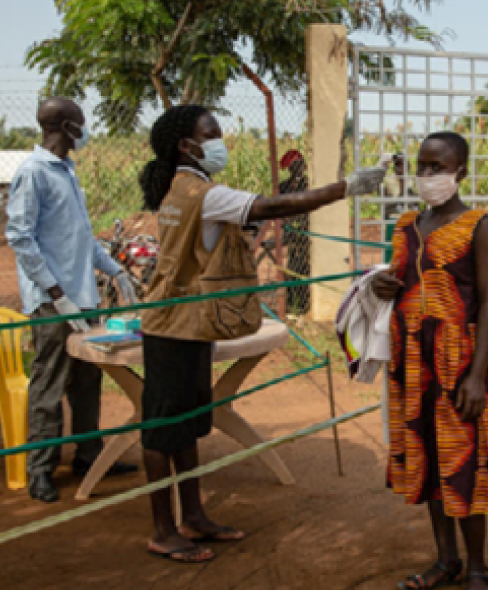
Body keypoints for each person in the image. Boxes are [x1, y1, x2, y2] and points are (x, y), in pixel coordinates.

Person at [136, 105, 388, 563]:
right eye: (210, 134)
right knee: (160, 430)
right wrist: (345, 188)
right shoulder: (201, 192)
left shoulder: (186, 188)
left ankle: (191, 516)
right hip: (172, 326)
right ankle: (162, 529)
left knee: (188, 424)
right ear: (186, 146)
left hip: (185, 323)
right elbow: (274, 206)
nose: (219, 141)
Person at [371, 131, 488, 590]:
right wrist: (383, 286)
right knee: (431, 463)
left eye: (439, 167)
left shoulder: (479, 226)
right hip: (413, 364)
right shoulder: (406, 225)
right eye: (423, 165)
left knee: (464, 461)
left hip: (459, 360)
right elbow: (395, 281)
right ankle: (445, 560)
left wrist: (477, 374)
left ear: (462, 172)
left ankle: (477, 565)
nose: (429, 175)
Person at [6, 97, 140, 504]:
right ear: (67, 127)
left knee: (87, 381)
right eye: (81, 123)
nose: (85, 129)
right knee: (50, 382)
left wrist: (115, 270)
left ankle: (88, 454)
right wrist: (56, 293)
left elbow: (82, 238)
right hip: (54, 303)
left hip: (83, 298)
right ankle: (41, 469)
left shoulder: (67, 172)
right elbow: (21, 238)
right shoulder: (33, 173)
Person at [278, 149, 312, 315]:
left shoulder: (308, 184)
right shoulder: (284, 187)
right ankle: (292, 304)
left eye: (300, 166)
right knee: (292, 265)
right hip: (290, 232)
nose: (298, 170)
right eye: (294, 167)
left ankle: (303, 304)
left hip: (305, 232)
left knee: (303, 266)